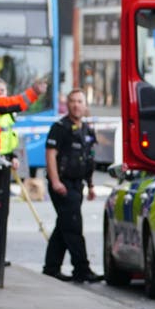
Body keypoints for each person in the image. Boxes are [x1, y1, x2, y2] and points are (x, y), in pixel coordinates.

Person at [43, 90, 101, 283]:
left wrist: (91, 185)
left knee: (64, 225)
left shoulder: (87, 130)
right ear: (67, 105)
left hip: (78, 185)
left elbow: (90, 159)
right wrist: (55, 181)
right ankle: (81, 269)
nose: (76, 105)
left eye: (80, 101)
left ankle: (51, 268)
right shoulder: (60, 127)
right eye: (72, 101)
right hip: (63, 184)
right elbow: (50, 155)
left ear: (85, 105)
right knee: (74, 226)